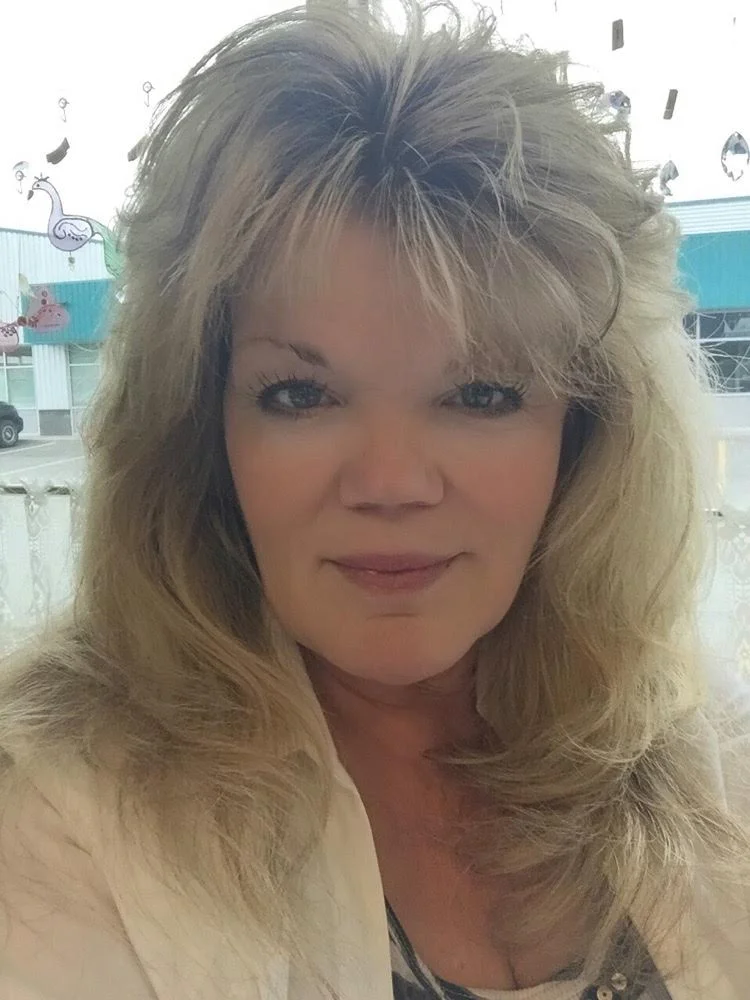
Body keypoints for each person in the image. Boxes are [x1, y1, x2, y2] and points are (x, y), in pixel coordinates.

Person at [0, 4, 748, 999]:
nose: (392, 482)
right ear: (202, 432)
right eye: (299, 395)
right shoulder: (55, 813)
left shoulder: (700, 753)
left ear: (584, 435)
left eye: (481, 393)